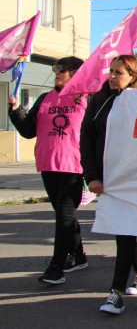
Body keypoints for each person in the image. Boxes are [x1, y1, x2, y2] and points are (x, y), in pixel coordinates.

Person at [8, 56, 88, 285]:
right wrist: (16, 111)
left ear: (75, 72)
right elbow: (28, 131)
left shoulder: (86, 98)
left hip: (74, 167)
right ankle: (79, 256)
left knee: (64, 216)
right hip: (48, 164)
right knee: (65, 216)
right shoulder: (45, 98)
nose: (56, 71)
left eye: (61, 68)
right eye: (55, 68)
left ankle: (56, 268)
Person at [82, 55, 137, 315]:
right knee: (125, 230)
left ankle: (116, 293)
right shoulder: (98, 101)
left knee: (124, 232)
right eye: (111, 71)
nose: (111, 76)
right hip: (108, 180)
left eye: (118, 72)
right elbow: (86, 140)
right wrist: (92, 176)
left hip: (134, 179)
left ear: (133, 76)